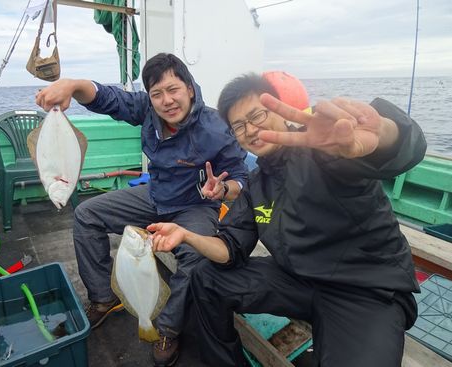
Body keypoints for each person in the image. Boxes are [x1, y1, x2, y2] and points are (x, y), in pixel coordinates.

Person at [147, 73, 427, 367]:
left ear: (279, 109)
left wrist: (383, 132)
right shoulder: (257, 184)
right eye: (239, 126)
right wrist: (187, 235)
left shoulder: (325, 151)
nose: (251, 130)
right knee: (206, 277)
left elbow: (401, 149)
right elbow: (229, 248)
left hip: (364, 289)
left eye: (257, 115)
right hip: (298, 281)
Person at [35, 53, 248, 366]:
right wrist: (73, 85)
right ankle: (103, 297)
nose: (166, 101)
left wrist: (223, 189)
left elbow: (240, 176)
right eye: (157, 93)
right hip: (156, 196)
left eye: (173, 90)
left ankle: (166, 329)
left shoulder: (216, 127)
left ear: (190, 88)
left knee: (196, 258)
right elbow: (109, 99)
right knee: (87, 215)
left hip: (195, 205)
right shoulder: (147, 110)